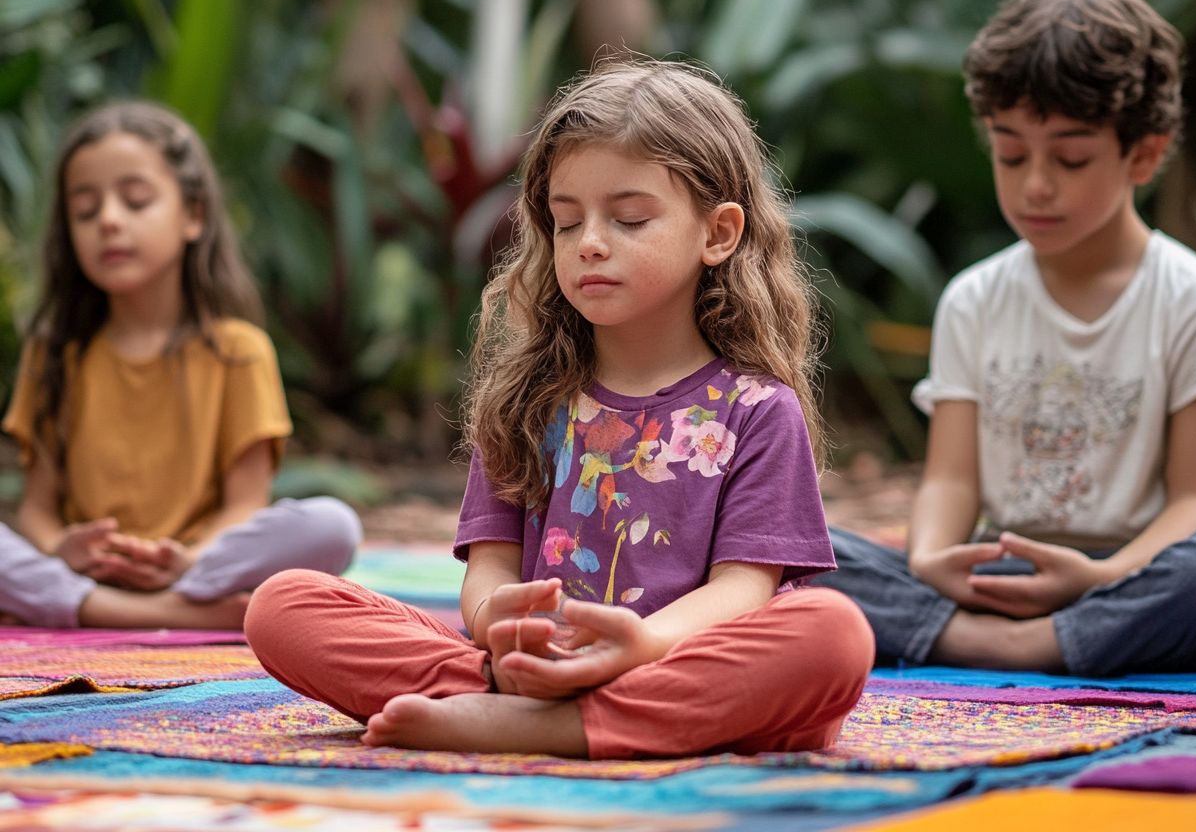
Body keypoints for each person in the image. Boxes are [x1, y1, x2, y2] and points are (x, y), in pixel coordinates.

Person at [245, 58, 873, 759]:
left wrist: (641, 644)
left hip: (676, 664)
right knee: (284, 603)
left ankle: (541, 725)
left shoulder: (757, 409)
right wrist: (496, 623)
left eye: (629, 218)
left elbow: (744, 592)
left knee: (832, 634)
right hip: (527, 673)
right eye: (566, 222)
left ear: (718, 234)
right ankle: (543, 712)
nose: (590, 243)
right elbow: (489, 570)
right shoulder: (532, 399)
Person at [821, 0, 1196, 676]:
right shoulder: (973, 299)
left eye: (1070, 158)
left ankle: (996, 640)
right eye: (1011, 154)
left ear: (1142, 154)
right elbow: (950, 479)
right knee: (797, 547)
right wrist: (930, 557)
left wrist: (1102, 579)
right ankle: (1014, 636)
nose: (1035, 184)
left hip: (1138, 579)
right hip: (1001, 573)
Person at [0, 101, 361, 631]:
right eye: (85, 210)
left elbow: (246, 506)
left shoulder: (240, 351)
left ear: (193, 215)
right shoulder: (54, 353)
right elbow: (37, 508)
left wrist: (188, 560)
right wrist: (62, 548)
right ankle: (156, 614)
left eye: (136, 200)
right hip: (83, 575)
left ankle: (129, 605)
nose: (109, 220)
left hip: (200, 568)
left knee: (334, 525)